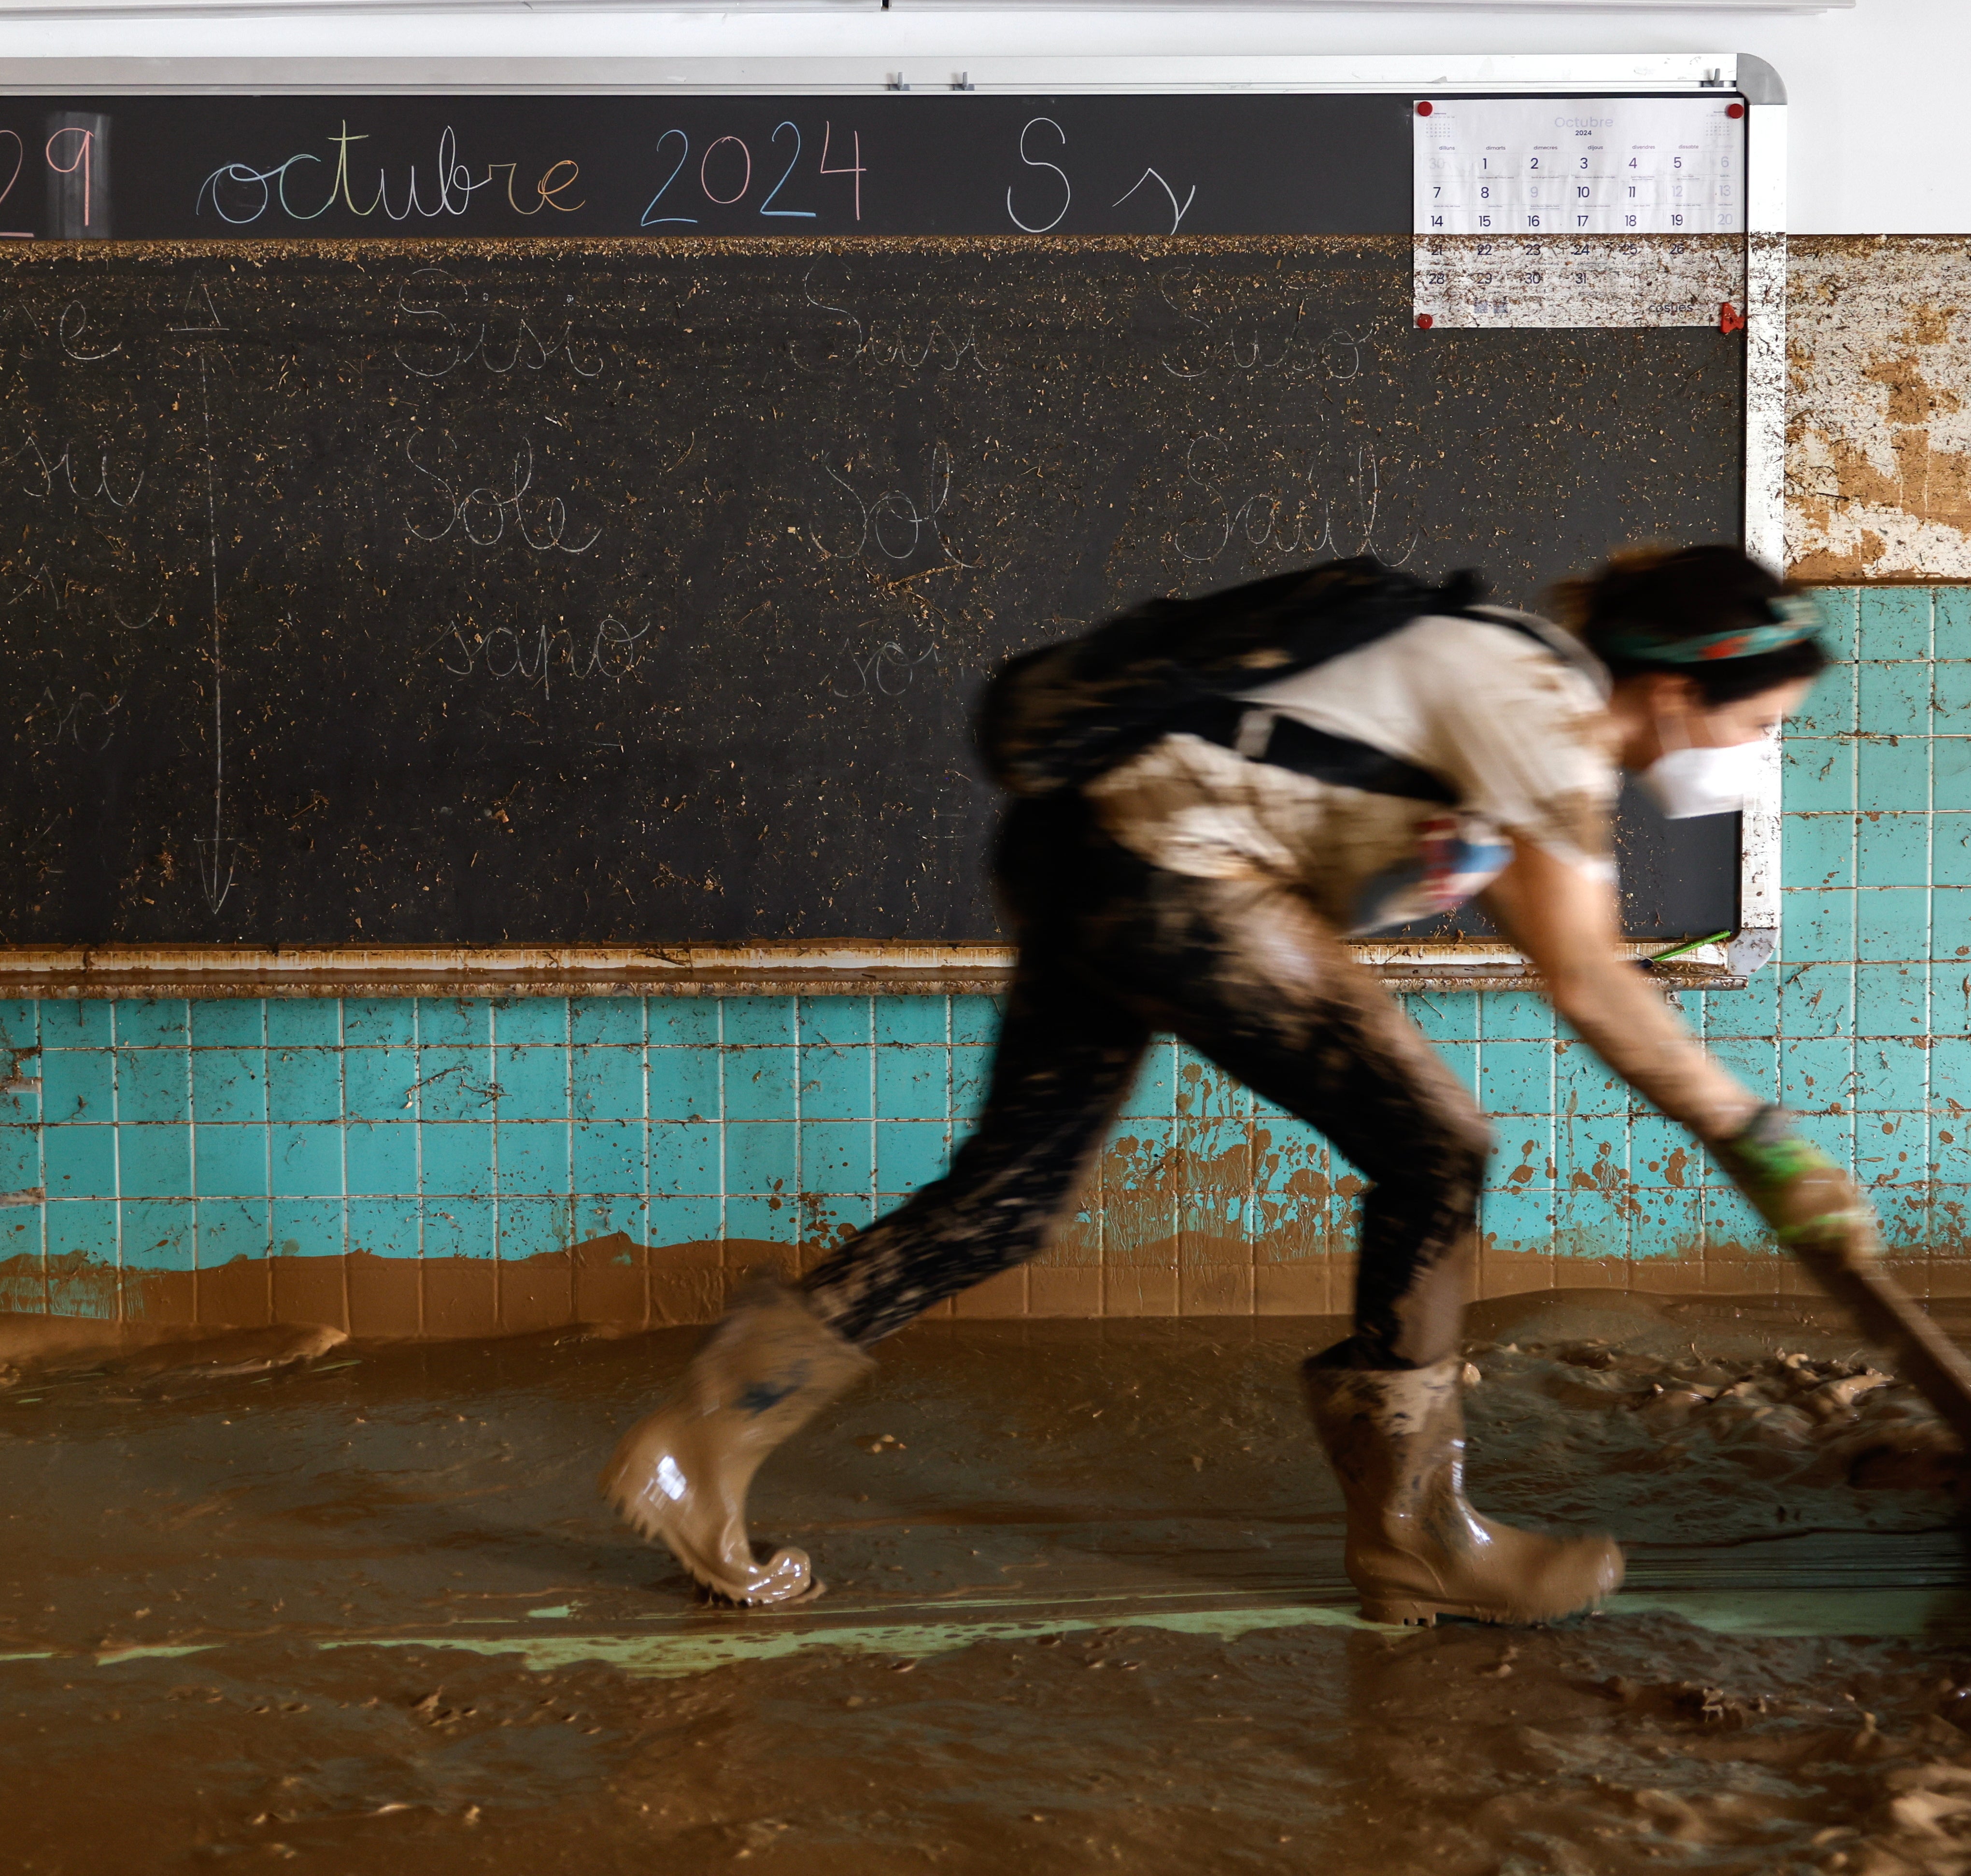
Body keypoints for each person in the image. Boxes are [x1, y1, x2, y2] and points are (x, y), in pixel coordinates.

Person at [601, 543, 1878, 1623]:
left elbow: (1420, 857)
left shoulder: (1502, 672)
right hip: (1167, 876)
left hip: (1083, 848)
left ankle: (705, 1438)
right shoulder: (1544, 713)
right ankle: (1416, 1529)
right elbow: (1591, 980)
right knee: (1439, 1151)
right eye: (1757, 724)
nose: (1754, 752)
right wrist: (1763, 1142)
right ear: (1674, 689)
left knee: (1010, 1198)